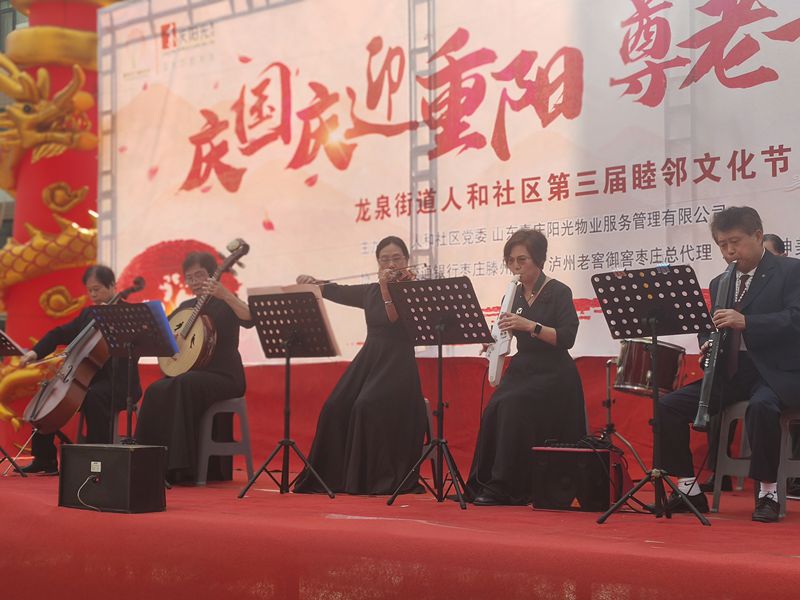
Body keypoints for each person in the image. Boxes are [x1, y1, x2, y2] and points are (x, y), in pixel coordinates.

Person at [657, 206, 800, 522]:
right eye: (722, 245)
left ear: (757, 236)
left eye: (735, 242)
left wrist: (747, 322)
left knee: (762, 406)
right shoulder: (720, 282)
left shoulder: (791, 271)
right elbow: (710, 324)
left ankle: (767, 492)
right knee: (668, 406)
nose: (729, 251)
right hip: (733, 370)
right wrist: (707, 341)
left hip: (776, 371)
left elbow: (796, 318)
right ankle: (688, 489)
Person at [293, 236, 427, 495]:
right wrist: (314, 283)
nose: (390, 264)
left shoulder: (413, 290)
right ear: (377, 262)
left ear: (407, 260)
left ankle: (368, 479)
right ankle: (336, 478)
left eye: (396, 258)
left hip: (398, 364)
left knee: (365, 405)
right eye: (384, 259)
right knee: (334, 406)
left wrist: (386, 287)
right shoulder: (370, 291)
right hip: (370, 358)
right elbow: (338, 291)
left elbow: (391, 318)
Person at [467, 228, 586, 506]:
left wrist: (531, 326)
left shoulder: (558, 291)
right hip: (523, 366)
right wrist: (492, 341)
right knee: (494, 407)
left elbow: (566, 338)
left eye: (522, 260)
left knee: (513, 405)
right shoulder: (512, 294)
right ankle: (487, 481)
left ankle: (506, 485)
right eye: (511, 261)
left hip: (554, 370)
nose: (516, 267)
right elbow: (506, 334)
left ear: (539, 260)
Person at [135, 251, 253, 484]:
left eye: (200, 275)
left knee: (183, 383)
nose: (195, 281)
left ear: (212, 275)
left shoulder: (226, 301)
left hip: (224, 376)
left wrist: (225, 294)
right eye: (189, 277)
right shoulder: (186, 307)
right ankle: (149, 464)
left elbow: (250, 318)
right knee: (155, 390)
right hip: (193, 373)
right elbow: (166, 335)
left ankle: (181, 468)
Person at [18, 265, 140, 474]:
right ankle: (45, 459)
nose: (93, 294)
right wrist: (35, 353)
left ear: (112, 286)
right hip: (88, 379)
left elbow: (135, 349)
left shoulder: (128, 314)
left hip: (120, 382)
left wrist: (113, 327)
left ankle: (96, 459)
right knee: (50, 393)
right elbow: (58, 333)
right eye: (90, 290)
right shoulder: (88, 314)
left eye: (97, 289)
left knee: (94, 395)